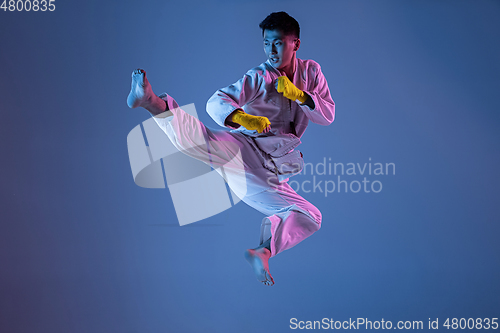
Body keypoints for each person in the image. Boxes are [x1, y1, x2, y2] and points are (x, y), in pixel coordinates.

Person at [127, 11, 335, 286]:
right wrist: (242, 118)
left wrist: (300, 95)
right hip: (245, 147)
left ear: (295, 43)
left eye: (279, 43)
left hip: (270, 174)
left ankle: (264, 251)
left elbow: (327, 115)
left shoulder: (311, 71)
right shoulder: (260, 76)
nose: (271, 51)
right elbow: (215, 102)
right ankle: (152, 101)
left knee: (311, 216)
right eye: (266, 43)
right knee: (204, 143)